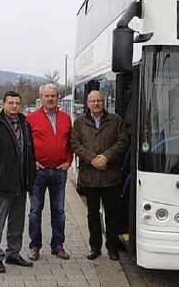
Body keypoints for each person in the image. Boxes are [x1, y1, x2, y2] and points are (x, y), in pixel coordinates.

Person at [0, 90, 36, 273]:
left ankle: (13, 253)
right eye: (10, 103)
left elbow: (30, 152)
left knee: (17, 221)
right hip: (3, 183)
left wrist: (30, 177)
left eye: (17, 103)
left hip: (21, 182)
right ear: (3, 104)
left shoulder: (25, 125)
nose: (14, 106)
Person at [70, 90, 129, 261]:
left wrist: (106, 157)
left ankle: (112, 248)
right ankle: (95, 248)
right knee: (93, 215)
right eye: (92, 101)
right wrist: (92, 159)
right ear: (87, 104)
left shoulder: (115, 120)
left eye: (99, 100)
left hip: (111, 177)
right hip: (89, 178)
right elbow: (75, 143)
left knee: (112, 214)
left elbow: (123, 141)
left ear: (104, 102)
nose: (96, 103)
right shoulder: (79, 122)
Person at [26, 84, 73, 261]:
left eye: (53, 96)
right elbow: (26, 144)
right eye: (47, 96)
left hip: (59, 171)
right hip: (39, 172)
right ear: (41, 97)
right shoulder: (31, 118)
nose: (50, 99)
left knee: (59, 210)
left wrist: (68, 161)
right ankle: (34, 247)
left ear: (58, 97)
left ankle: (58, 246)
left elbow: (70, 142)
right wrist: (33, 162)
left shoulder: (66, 118)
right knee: (35, 210)